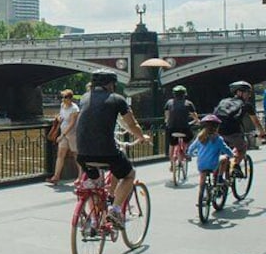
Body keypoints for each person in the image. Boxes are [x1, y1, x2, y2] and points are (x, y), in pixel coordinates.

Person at [75, 69, 151, 228]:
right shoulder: (117, 99)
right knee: (129, 175)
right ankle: (115, 210)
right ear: (111, 84)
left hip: (82, 154)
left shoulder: (84, 98)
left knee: (95, 184)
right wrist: (141, 137)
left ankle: (96, 219)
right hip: (107, 153)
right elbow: (132, 124)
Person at [213, 81, 266, 172]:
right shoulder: (246, 105)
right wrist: (262, 133)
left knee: (222, 151)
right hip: (233, 132)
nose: (249, 95)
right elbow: (256, 122)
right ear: (239, 92)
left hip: (217, 131)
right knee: (242, 147)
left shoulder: (223, 101)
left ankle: (218, 179)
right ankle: (236, 166)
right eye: (247, 92)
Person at [187, 114, 233, 189]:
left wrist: (192, 154)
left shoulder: (200, 137)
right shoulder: (218, 139)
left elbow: (191, 149)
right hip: (213, 165)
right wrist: (232, 155)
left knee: (202, 174)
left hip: (201, 164)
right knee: (224, 159)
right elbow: (226, 149)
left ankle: (202, 193)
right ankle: (220, 178)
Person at [47, 88, 80, 185]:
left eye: (65, 97)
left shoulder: (74, 108)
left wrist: (62, 135)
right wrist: (58, 118)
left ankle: (80, 177)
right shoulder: (63, 105)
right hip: (63, 133)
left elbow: (72, 124)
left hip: (72, 134)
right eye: (62, 97)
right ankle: (56, 177)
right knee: (60, 154)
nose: (63, 99)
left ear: (70, 98)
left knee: (76, 155)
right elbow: (61, 116)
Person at [164, 84, 199, 172]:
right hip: (184, 128)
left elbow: (167, 116)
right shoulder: (188, 103)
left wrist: (168, 121)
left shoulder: (169, 103)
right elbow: (195, 117)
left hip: (171, 128)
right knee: (189, 137)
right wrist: (196, 121)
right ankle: (185, 152)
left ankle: (172, 163)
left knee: (172, 144)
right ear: (184, 94)